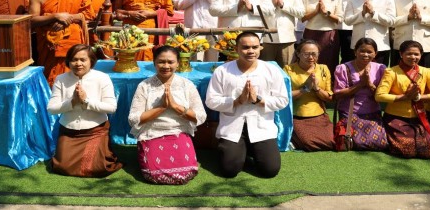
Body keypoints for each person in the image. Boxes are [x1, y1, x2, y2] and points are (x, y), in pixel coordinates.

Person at [205, 32, 289, 178]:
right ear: (236, 49)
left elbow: (282, 100)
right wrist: (237, 101)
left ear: (260, 48)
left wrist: (259, 100)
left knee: (270, 171)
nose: (251, 51)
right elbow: (211, 101)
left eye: (255, 47)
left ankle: (249, 149)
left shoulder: (271, 71)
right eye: (245, 47)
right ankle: (237, 151)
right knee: (229, 170)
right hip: (233, 125)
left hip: (261, 125)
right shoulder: (222, 71)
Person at [128, 46, 207, 184]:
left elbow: (200, 116)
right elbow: (133, 118)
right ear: (154, 63)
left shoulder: (186, 85)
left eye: (170, 62)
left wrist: (175, 107)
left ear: (178, 63)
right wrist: (161, 107)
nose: (166, 66)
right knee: (152, 175)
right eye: (161, 62)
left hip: (178, 131)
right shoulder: (145, 86)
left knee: (186, 173)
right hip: (151, 132)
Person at [47, 44, 122, 177]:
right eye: (74, 60)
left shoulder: (102, 78)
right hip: (69, 131)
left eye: (83, 60)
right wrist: (72, 102)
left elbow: (111, 108)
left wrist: (86, 101)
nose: (78, 64)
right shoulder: (61, 79)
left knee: (98, 168)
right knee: (62, 167)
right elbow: (51, 109)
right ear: (69, 61)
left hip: (95, 130)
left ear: (91, 61)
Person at [375, 40, 430, 159]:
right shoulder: (391, 72)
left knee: (428, 152)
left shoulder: (427, 72)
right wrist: (404, 97)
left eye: (416, 54)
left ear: (421, 55)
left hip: (418, 117)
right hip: (395, 117)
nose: (413, 57)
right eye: (409, 54)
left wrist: (418, 97)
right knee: (407, 150)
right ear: (400, 54)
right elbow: (379, 95)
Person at [30, 0, 90, 85]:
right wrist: (55, 16)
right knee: (51, 77)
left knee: (75, 70)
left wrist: (67, 19)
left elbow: (88, 15)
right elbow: (32, 20)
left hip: (72, 41)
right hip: (49, 44)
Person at [333, 38, 388, 151]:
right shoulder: (343, 68)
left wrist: (368, 84)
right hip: (350, 113)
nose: (365, 54)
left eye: (369, 52)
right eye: (362, 51)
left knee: (381, 143)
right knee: (355, 142)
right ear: (355, 52)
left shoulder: (381, 68)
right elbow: (338, 94)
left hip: (373, 113)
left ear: (375, 53)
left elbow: (382, 95)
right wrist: (359, 85)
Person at [284, 40, 334, 151]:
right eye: (306, 54)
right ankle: (294, 137)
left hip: (319, 115)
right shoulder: (288, 69)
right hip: (297, 115)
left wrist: (316, 88)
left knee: (332, 141)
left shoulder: (323, 69)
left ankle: (296, 139)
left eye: (314, 54)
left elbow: (329, 98)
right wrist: (305, 89)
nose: (310, 57)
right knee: (308, 143)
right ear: (298, 54)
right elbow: (284, 96)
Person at [344, 0, 396, 64]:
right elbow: (347, 21)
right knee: (357, 75)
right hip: (358, 45)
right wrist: (362, 14)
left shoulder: (388, 0)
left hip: (380, 46)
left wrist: (373, 13)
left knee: (379, 75)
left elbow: (391, 21)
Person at [262, 0, 305, 66]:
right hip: (266, 39)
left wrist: (283, 5)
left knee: (286, 69)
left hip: (287, 38)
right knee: (266, 69)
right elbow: (256, 12)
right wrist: (272, 5)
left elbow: (301, 13)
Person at [301, 0, 343, 71]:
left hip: (329, 34)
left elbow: (339, 19)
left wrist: (326, 13)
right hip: (311, 33)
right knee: (309, 59)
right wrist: (315, 12)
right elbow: (302, 18)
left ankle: (328, 83)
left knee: (329, 60)